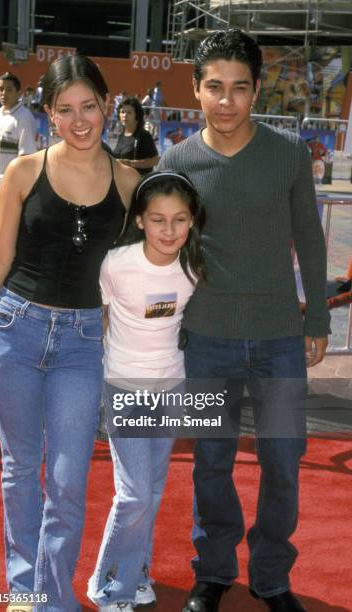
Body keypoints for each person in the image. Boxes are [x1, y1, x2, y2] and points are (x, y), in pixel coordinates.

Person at [157, 29, 330, 612]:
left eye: (238, 88)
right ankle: (213, 571)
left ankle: (272, 576)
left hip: (281, 337)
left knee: (283, 459)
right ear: (195, 90)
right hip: (206, 339)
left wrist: (317, 324)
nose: (225, 101)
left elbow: (308, 234)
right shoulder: (177, 161)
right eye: (214, 88)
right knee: (211, 461)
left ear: (257, 90)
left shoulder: (288, 154)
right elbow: (160, 245)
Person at [0, 54, 139, 611]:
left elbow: (140, 269)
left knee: (69, 481)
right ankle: (24, 593)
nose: (80, 121)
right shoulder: (23, 173)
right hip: (14, 332)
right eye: (65, 109)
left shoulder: (128, 182)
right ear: (48, 114)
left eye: (89, 107)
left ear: (106, 104)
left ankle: (54, 596)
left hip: (80, 343)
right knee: (21, 469)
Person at [87, 170, 206, 612]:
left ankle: (137, 572)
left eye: (179, 219)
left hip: (170, 385)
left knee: (153, 490)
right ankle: (107, 584)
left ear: (192, 221)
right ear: (139, 220)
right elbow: (97, 320)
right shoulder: (116, 264)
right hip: (124, 384)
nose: (169, 230)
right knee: (134, 492)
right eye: (158, 219)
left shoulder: (193, 265)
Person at [0, 72, 37, 183]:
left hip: (14, 183)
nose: (3, 93)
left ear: (18, 94)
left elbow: (26, 156)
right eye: (1, 89)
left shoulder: (24, 117)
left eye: (9, 90)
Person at [113, 96, 159, 175]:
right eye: (122, 112)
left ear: (137, 116)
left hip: (138, 182)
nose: (125, 115)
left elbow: (155, 160)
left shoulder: (144, 135)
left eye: (129, 112)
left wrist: (130, 163)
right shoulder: (121, 136)